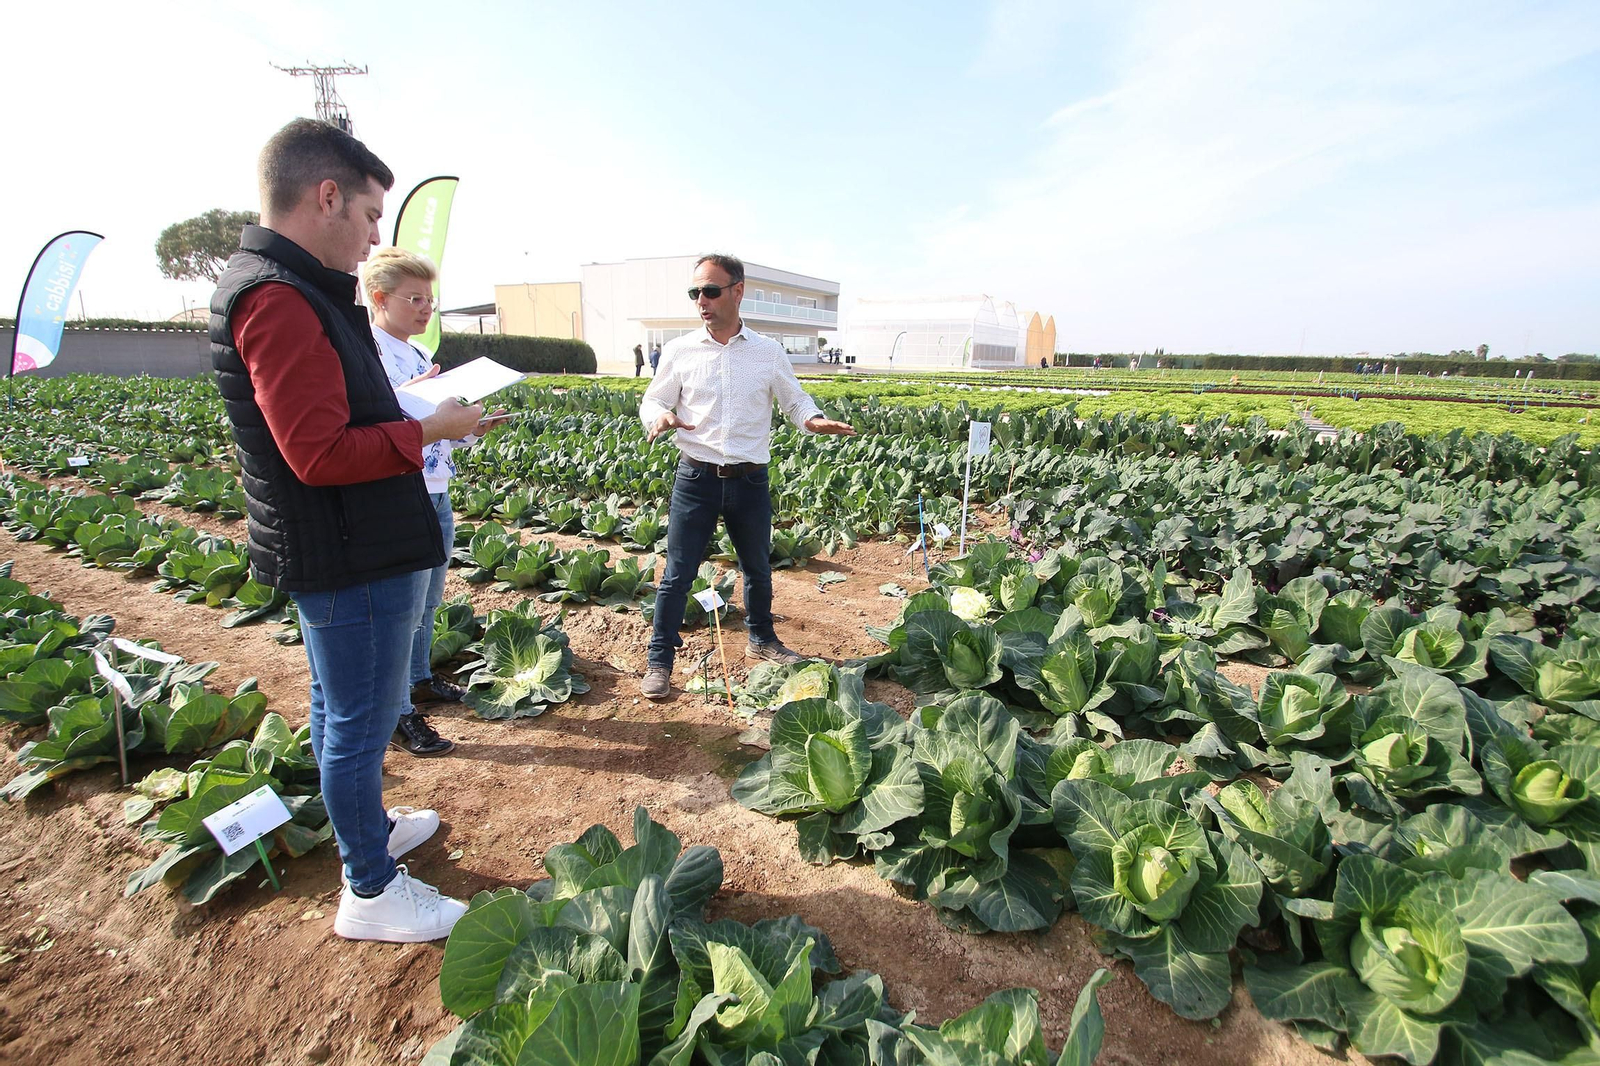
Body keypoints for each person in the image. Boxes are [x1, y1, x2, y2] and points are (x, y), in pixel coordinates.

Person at [209, 118, 484, 942]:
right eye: (369, 215)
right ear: (326, 196)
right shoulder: (277, 298)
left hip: (351, 542)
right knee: (356, 720)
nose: (374, 238)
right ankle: (370, 887)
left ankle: (366, 827)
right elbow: (319, 454)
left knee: (341, 707)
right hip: (347, 548)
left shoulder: (295, 291)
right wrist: (432, 433)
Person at [637, 253, 855, 699]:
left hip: (750, 480)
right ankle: (660, 658)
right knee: (677, 572)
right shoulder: (679, 351)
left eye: (711, 291)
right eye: (695, 292)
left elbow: (795, 402)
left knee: (757, 567)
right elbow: (652, 399)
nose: (702, 300)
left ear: (738, 291)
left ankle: (762, 639)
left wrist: (813, 421)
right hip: (695, 479)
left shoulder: (768, 352)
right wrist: (659, 416)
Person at [364, 247, 507, 758]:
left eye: (431, 299)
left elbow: (437, 432)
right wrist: (411, 398)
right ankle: (398, 710)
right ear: (379, 299)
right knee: (399, 612)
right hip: (399, 495)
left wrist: (471, 427)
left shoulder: (420, 354)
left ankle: (421, 679)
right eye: (415, 298)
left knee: (428, 600)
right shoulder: (368, 354)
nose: (426, 309)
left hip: (437, 489)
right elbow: (375, 424)